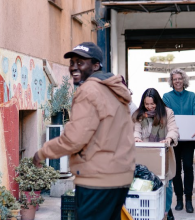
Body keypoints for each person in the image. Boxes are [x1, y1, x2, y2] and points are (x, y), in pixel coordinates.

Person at [32, 42, 135, 220]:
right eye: (72, 62)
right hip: (121, 175)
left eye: (81, 62)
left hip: (98, 178)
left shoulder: (89, 90)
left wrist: (42, 153)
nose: (74, 67)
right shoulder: (115, 91)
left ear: (96, 65)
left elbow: (74, 139)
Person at [132, 88, 179, 220]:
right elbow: (136, 130)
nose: (149, 107)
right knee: (145, 184)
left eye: (152, 104)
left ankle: (165, 212)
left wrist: (169, 139)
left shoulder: (167, 113)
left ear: (158, 102)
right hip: (144, 155)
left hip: (164, 155)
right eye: (147, 104)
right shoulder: (139, 115)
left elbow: (173, 129)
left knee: (166, 185)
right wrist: (136, 138)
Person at [162, 68, 195, 213]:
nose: (177, 81)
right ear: (171, 82)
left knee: (188, 167)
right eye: (175, 79)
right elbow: (164, 115)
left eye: (180, 78)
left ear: (184, 80)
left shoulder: (191, 96)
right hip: (174, 139)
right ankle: (179, 199)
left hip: (189, 138)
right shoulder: (166, 97)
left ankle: (189, 200)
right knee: (176, 170)